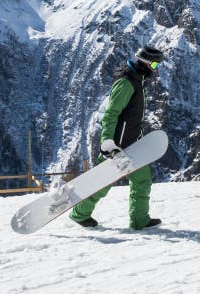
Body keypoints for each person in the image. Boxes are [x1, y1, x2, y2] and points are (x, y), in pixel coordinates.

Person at [69, 45, 165, 229]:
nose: (155, 69)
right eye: (154, 65)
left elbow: (131, 117)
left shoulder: (137, 80)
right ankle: (80, 213)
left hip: (132, 143)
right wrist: (108, 142)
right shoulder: (127, 82)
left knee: (142, 180)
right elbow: (111, 113)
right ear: (145, 63)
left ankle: (140, 220)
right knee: (102, 182)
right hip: (118, 146)